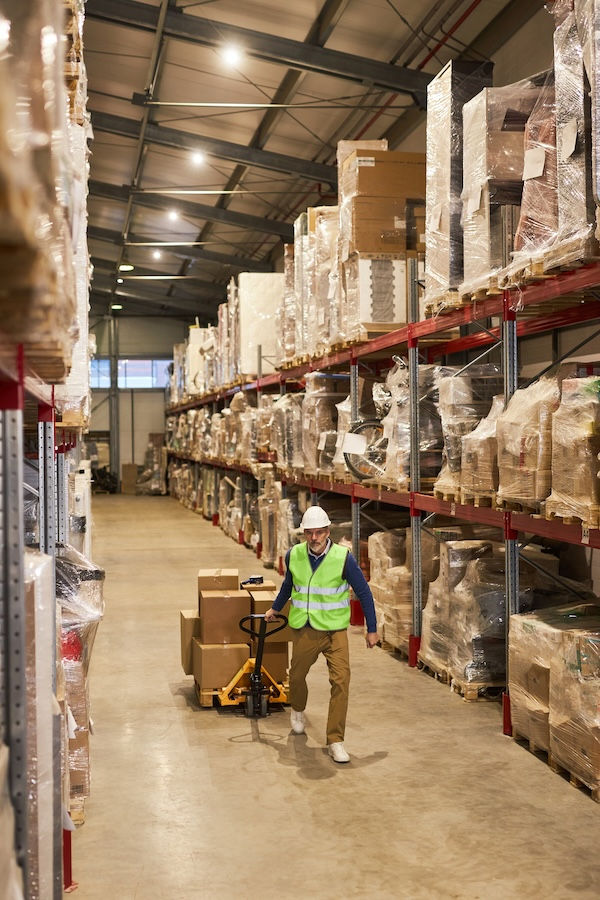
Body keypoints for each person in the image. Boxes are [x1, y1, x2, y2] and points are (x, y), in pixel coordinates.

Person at [265, 505, 378, 764]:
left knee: (341, 682)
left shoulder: (343, 557)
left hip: (334, 631)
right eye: (309, 533)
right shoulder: (293, 555)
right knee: (296, 676)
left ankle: (335, 740)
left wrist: (372, 628)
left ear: (328, 531)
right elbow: (288, 586)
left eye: (319, 532)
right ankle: (297, 709)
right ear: (304, 533)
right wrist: (274, 608)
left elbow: (364, 593)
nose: (314, 538)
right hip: (304, 628)